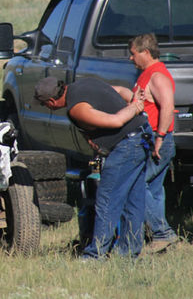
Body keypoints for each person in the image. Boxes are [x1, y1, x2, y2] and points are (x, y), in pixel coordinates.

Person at [34, 76, 149, 259]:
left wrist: (135, 107)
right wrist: (134, 100)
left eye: (45, 105)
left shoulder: (76, 108)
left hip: (126, 145)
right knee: (133, 200)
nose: (47, 108)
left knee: (106, 200)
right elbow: (120, 91)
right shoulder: (84, 83)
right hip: (142, 137)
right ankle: (128, 253)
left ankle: (95, 254)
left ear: (51, 101)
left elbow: (116, 121)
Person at [115, 33, 177, 253]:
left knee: (136, 184)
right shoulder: (146, 75)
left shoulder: (157, 75)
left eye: (133, 54)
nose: (131, 59)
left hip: (156, 139)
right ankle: (160, 239)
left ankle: (162, 233)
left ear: (146, 52)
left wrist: (159, 138)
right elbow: (139, 101)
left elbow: (168, 107)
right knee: (153, 188)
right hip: (151, 138)